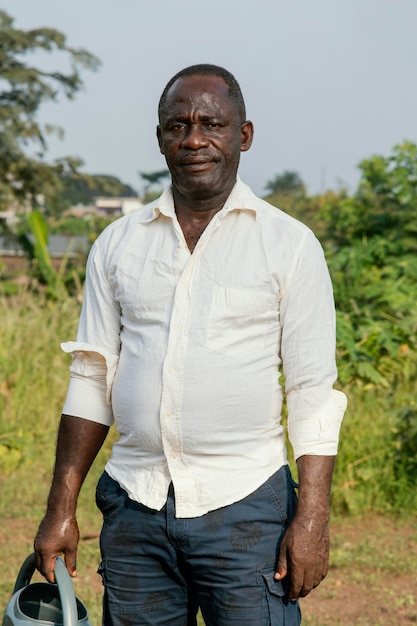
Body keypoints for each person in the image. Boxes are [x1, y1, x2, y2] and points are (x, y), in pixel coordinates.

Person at [34, 64, 347, 626]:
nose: (194, 139)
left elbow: (311, 392)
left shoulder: (290, 246)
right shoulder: (117, 244)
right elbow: (91, 379)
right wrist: (61, 508)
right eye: (177, 125)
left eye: (212, 124)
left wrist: (312, 519)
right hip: (136, 505)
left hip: (248, 508)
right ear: (160, 139)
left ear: (243, 136)